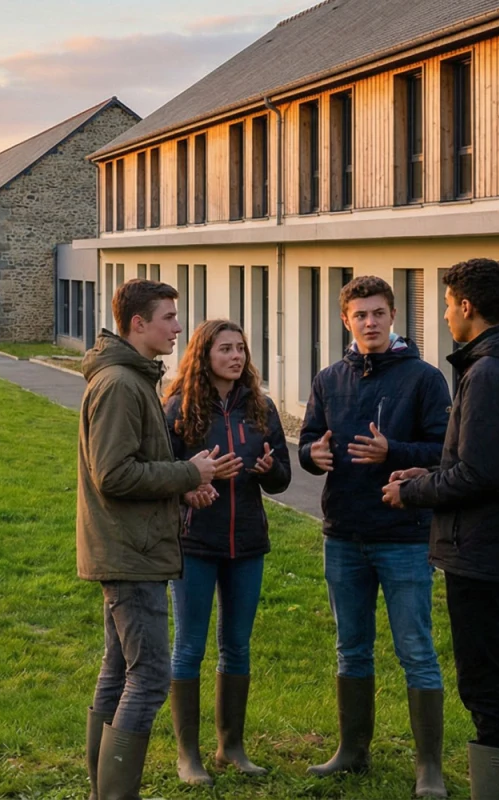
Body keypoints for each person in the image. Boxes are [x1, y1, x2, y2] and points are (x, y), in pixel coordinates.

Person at [387, 259, 499, 798]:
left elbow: (480, 475)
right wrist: (432, 471)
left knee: (487, 688)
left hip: (482, 553)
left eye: (445, 304)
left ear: (466, 306)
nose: (442, 315)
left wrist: (409, 491)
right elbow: (486, 462)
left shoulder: (488, 373)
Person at [77, 279, 233, 800]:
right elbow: (114, 475)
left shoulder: (130, 377)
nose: (178, 327)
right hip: (131, 552)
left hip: (128, 544)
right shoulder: (121, 383)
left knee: (119, 669)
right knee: (148, 677)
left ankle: (104, 790)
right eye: (168, 317)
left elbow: (133, 468)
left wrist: (182, 490)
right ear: (137, 324)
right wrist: (188, 473)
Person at [298, 275, 450, 797]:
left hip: (404, 535)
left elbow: (443, 452)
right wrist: (309, 457)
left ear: (393, 316)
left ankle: (428, 765)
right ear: (346, 320)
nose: (370, 322)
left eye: (378, 313)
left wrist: (394, 453)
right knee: (351, 648)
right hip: (343, 532)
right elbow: (309, 439)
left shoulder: (425, 379)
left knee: (416, 649)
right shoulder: (328, 379)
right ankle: (351, 751)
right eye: (360, 315)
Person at [161, 320, 291, 786]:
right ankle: (187, 755)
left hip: (248, 543)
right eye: (225, 349)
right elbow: (164, 475)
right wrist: (194, 482)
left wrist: (267, 468)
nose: (236, 357)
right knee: (189, 647)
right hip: (196, 544)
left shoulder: (261, 408)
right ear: (204, 355)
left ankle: (230, 747)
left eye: (241, 349)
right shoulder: (179, 408)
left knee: (237, 645)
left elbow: (283, 479)